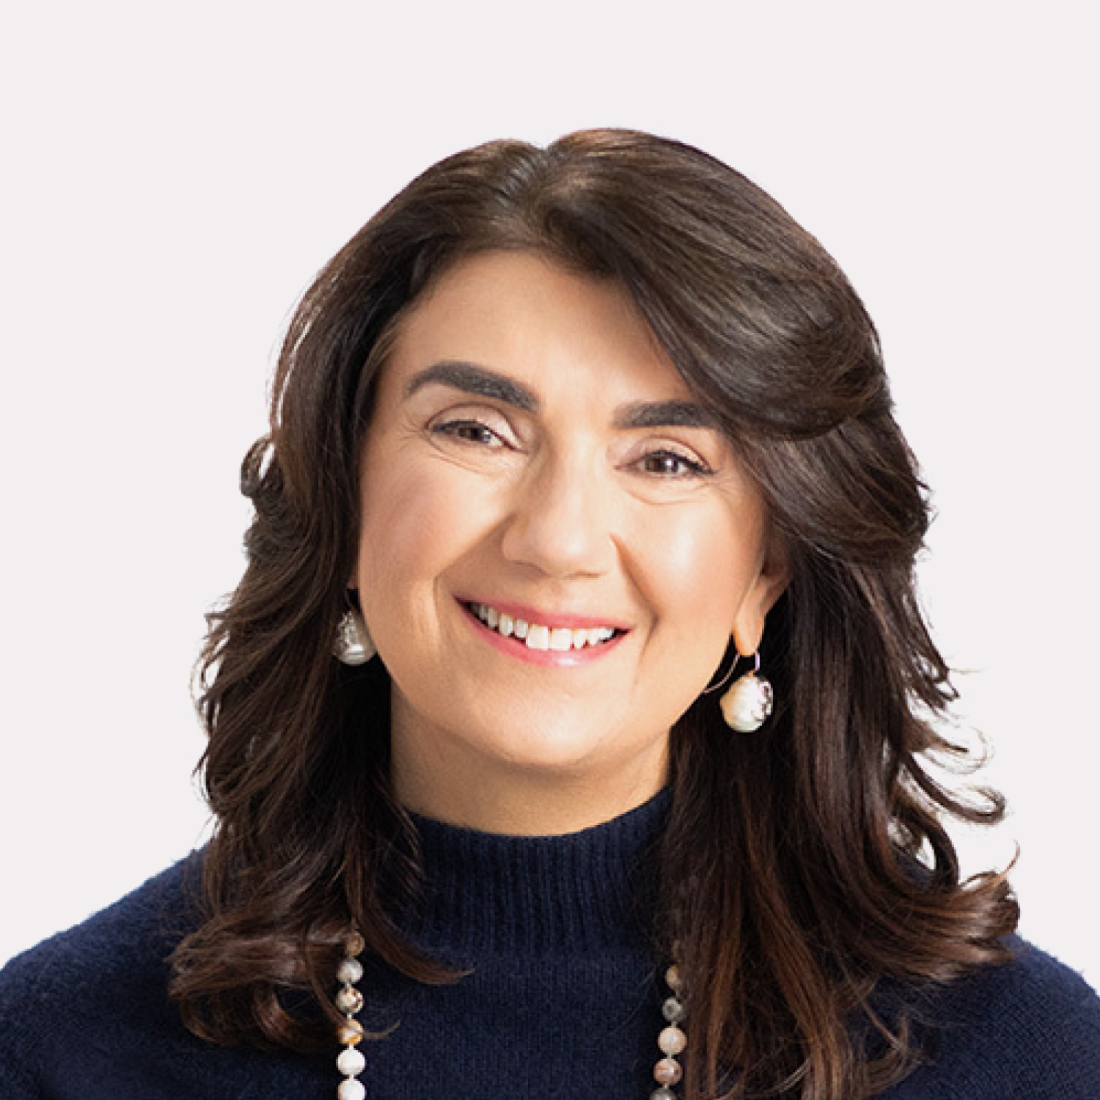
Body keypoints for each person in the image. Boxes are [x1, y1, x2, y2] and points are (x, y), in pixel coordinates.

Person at [1, 129, 1098, 1100]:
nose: (558, 538)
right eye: (477, 429)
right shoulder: (68, 1047)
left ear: (765, 572)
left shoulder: (1015, 1059)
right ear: (344, 493)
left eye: (664, 458)